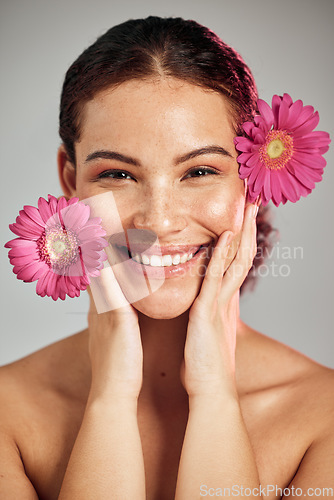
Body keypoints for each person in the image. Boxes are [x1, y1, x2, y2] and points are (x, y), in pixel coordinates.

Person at [0, 15, 333, 499]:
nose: (157, 222)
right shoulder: (8, 413)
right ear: (70, 181)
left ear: (253, 178)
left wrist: (215, 395)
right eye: (117, 175)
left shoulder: (323, 417)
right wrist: (109, 399)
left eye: (199, 170)